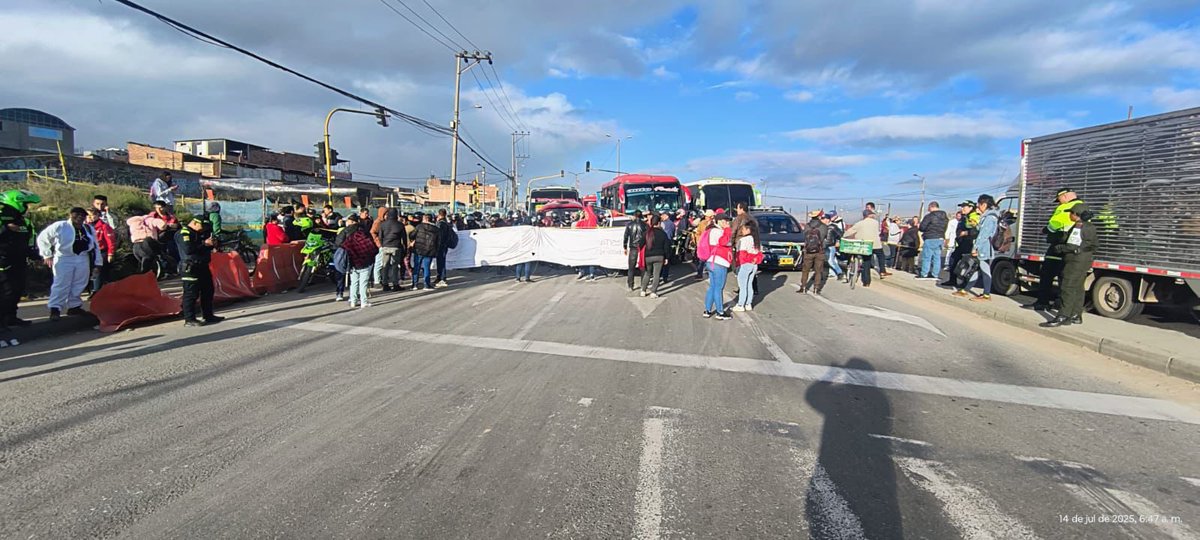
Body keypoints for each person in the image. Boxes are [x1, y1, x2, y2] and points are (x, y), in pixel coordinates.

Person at [1027, 188, 1086, 311]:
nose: (1058, 202)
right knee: (1063, 277)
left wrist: (1045, 230)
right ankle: (1060, 304)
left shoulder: (1067, 206)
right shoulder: (1082, 205)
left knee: (1047, 274)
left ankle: (1043, 302)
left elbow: (1055, 224)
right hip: (1070, 247)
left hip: (1058, 245)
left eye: (1058, 199)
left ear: (1064, 196)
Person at [38, 208, 101, 321]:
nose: (79, 217)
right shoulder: (61, 226)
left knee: (80, 282)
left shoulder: (88, 228)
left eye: (82, 215)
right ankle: (55, 309)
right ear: (70, 215)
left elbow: (95, 246)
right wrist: (46, 254)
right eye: (76, 214)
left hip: (82, 257)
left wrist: (98, 263)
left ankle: (74, 306)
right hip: (64, 258)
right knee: (61, 283)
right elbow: (43, 238)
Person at [1042, 205, 1097, 327]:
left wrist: (1059, 248)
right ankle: (1076, 315)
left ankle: (1063, 316)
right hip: (1084, 261)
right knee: (1078, 288)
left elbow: (1071, 246)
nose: (1069, 215)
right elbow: (1094, 245)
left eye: (1070, 213)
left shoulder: (1078, 226)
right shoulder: (1090, 227)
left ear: (1076, 214)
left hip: (1074, 261)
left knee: (1067, 287)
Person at [0, 190, 41, 329]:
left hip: (19, 261)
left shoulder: (26, 222)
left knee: (17, 290)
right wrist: (5, 228)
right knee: (6, 291)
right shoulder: (2, 219)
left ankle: (11, 317)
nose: (26, 207)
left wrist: (35, 255)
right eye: (24, 204)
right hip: (3, 261)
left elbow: (31, 239)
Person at [176, 217, 223, 327]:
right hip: (190, 267)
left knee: (208, 291)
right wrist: (204, 243)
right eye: (203, 226)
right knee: (191, 293)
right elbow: (188, 249)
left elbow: (204, 248)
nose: (205, 229)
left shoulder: (200, 233)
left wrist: (212, 244)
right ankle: (189, 319)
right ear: (195, 223)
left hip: (202, 266)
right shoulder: (184, 233)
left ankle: (208, 315)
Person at [954, 195, 999, 301]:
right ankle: (966, 290)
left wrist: (975, 248)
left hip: (983, 248)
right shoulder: (987, 216)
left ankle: (986, 294)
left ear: (984, 204)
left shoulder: (990, 217)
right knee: (977, 268)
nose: (978, 207)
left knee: (985, 270)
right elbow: (978, 229)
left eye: (979, 205)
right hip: (983, 247)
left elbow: (983, 235)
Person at [336, 214, 378, 309]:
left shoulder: (347, 234)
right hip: (365, 262)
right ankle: (364, 301)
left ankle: (353, 301)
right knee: (363, 283)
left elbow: (339, 244)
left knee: (354, 282)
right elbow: (372, 248)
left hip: (352, 262)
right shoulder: (365, 234)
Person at [702, 213, 734, 319]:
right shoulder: (718, 231)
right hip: (719, 262)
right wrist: (727, 229)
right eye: (725, 220)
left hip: (711, 262)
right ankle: (720, 312)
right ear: (719, 221)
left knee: (712, 287)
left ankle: (707, 310)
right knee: (718, 288)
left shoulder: (711, 231)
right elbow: (724, 241)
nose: (727, 222)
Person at [942, 201, 977, 289]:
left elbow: (976, 231)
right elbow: (959, 230)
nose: (962, 209)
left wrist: (966, 233)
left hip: (969, 244)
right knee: (953, 260)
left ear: (971, 208)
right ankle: (952, 280)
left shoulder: (974, 217)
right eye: (961, 207)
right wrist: (959, 234)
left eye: (964, 207)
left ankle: (965, 284)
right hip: (961, 243)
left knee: (968, 264)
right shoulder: (963, 218)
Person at [843, 209, 882, 287]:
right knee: (874, 258)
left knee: (865, 261)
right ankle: (877, 275)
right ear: (870, 215)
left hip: (863, 244)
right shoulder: (876, 223)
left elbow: (849, 231)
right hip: (874, 245)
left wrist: (844, 235)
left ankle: (865, 281)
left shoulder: (859, 223)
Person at [732, 221, 762, 311]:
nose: (742, 231)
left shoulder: (743, 240)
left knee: (742, 285)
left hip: (745, 264)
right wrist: (754, 260)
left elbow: (741, 254)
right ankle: (748, 303)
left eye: (743, 229)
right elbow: (760, 254)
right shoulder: (756, 240)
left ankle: (741, 304)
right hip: (754, 265)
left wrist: (737, 265)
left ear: (749, 229)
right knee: (749, 285)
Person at [86, 208, 117, 293]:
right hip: (89, 252)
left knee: (98, 271)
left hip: (101, 251)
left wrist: (110, 253)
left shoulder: (103, 226)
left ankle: (97, 290)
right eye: (88, 215)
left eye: (92, 215)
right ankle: (89, 289)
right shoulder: (85, 226)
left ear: (98, 216)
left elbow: (110, 240)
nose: (90, 217)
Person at [917, 201, 949, 280]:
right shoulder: (945, 217)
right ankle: (935, 274)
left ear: (931, 207)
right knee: (937, 257)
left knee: (927, 257)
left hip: (930, 237)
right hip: (940, 238)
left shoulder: (929, 216)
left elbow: (922, 228)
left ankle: (924, 273)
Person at [377, 209, 407, 291]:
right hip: (396, 246)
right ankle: (395, 284)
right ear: (396, 215)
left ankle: (385, 284)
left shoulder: (383, 224)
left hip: (385, 246)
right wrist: (405, 248)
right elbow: (404, 238)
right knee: (395, 266)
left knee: (385, 265)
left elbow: (380, 236)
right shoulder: (400, 225)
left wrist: (382, 244)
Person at [640, 214, 670, 298]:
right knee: (656, 274)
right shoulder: (663, 234)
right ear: (659, 223)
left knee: (647, 273)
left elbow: (640, 244)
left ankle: (643, 290)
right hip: (659, 256)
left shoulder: (647, 233)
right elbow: (666, 247)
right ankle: (653, 292)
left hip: (648, 256)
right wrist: (667, 257)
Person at [799, 210, 828, 295]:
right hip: (820, 251)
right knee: (818, 271)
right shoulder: (824, 226)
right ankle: (816, 288)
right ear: (819, 217)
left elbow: (804, 236)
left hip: (808, 251)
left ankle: (803, 287)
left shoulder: (807, 226)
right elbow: (827, 238)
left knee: (805, 270)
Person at [410, 213, 440, 290]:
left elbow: (412, 235)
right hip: (429, 251)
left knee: (417, 267)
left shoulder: (419, 226)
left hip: (418, 249)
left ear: (425, 219)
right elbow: (438, 242)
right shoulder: (436, 229)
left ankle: (414, 284)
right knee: (427, 268)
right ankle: (426, 285)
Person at [622, 210, 648, 291]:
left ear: (634, 215)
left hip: (633, 247)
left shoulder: (629, 225)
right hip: (642, 247)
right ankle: (643, 286)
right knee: (643, 267)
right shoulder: (645, 225)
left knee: (631, 267)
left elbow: (625, 237)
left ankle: (630, 285)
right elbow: (648, 237)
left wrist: (625, 247)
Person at [434, 208, 457, 288]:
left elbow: (440, 236)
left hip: (441, 245)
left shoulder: (441, 224)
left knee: (441, 262)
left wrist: (438, 245)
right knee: (441, 261)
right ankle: (439, 277)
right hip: (445, 245)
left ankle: (442, 278)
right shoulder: (446, 223)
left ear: (439, 214)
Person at [692, 209, 715, 279]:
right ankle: (699, 273)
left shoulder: (714, 224)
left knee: (710, 260)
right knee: (701, 260)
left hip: (711, 244)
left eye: (707, 216)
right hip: (703, 244)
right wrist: (698, 239)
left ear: (711, 217)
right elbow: (698, 232)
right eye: (705, 216)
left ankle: (710, 272)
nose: (705, 217)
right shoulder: (702, 223)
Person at [370, 206, 388, 288]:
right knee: (379, 263)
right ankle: (377, 280)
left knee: (382, 263)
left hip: (383, 244)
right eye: (386, 214)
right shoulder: (378, 222)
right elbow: (373, 232)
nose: (387, 215)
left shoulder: (383, 222)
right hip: (380, 245)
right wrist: (378, 242)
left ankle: (380, 279)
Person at [824, 213, 844, 281]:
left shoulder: (833, 227)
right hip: (823, 246)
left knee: (830, 261)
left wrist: (838, 241)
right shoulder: (822, 227)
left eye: (824, 219)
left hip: (830, 246)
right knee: (827, 260)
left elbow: (840, 234)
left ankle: (839, 273)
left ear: (828, 219)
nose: (823, 220)